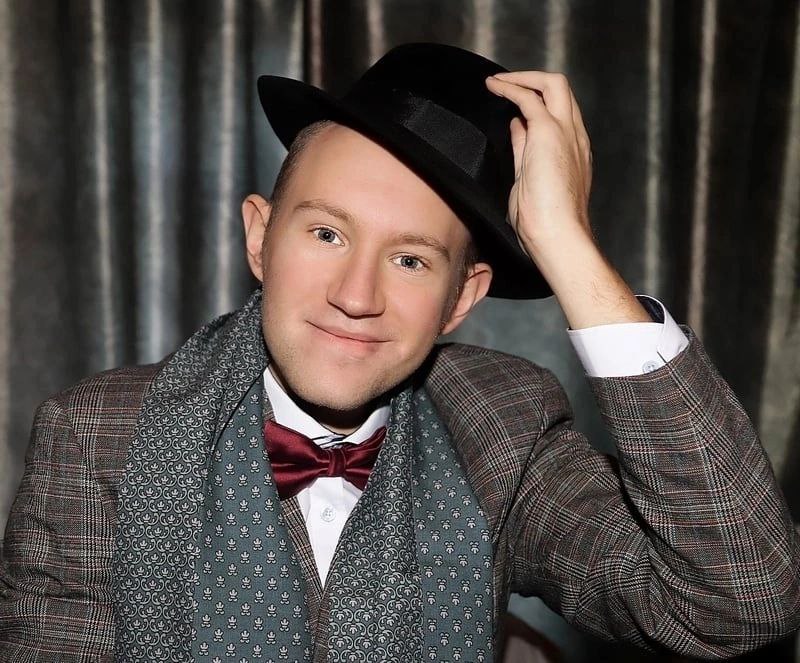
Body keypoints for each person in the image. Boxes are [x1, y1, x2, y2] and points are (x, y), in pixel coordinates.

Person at [1, 42, 798, 663]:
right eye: (327, 233)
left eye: (411, 259)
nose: (357, 294)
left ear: (462, 296)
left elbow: (739, 598)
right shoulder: (95, 434)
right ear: (259, 236)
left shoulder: (503, 427)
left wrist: (566, 244)